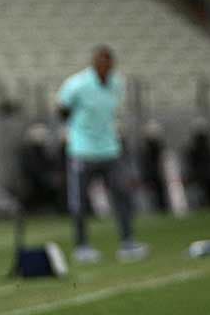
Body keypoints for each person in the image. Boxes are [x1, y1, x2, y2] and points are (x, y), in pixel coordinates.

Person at [57, 46, 148, 263]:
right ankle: (82, 246)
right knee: (79, 200)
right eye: (101, 62)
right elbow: (61, 109)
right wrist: (79, 128)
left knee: (122, 195)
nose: (105, 66)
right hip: (82, 149)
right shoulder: (77, 84)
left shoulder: (117, 83)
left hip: (109, 148)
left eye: (108, 63)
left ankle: (127, 242)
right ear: (94, 63)